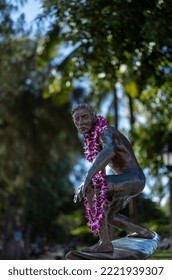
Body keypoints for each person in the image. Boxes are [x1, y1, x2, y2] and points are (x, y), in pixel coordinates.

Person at [72, 103, 154, 253]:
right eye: (76, 119)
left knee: (91, 186)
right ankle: (143, 232)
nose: (80, 122)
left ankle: (105, 243)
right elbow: (101, 168)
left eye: (84, 117)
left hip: (134, 178)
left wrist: (88, 178)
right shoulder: (94, 139)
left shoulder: (105, 131)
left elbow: (109, 150)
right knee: (109, 216)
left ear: (93, 116)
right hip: (127, 180)